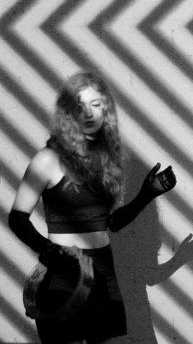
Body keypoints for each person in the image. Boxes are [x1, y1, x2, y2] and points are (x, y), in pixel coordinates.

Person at [8, 71, 177, 343]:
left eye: (96, 105)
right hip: (64, 276)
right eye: (80, 106)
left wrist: (147, 194)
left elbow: (112, 224)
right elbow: (17, 218)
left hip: (105, 273)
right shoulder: (48, 159)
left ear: (105, 110)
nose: (88, 113)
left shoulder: (108, 161)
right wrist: (49, 251)